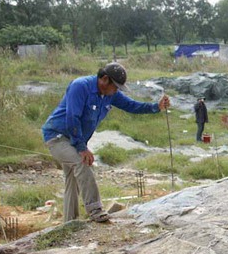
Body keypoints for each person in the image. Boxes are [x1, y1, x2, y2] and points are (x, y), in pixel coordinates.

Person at [42, 62, 170, 223]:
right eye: (115, 86)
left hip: (75, 139)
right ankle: (95, 210)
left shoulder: (110, 94)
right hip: (57, 136)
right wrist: (82, 148)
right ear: (104, 79)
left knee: (72, 181)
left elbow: (131, 105)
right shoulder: (80, 86)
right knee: (82, 163)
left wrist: (156, 107)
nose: (116, 91)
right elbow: (72, 118)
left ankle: (70, 222)